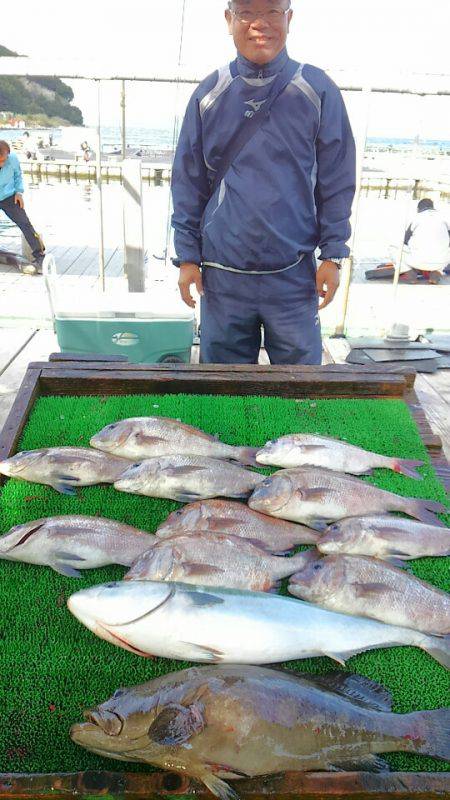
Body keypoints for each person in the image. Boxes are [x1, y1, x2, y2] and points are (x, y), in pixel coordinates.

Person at [171, 0, 356, 364]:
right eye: (247, 12)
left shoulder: (317, 90)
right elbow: (188, 182)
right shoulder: (209, 93)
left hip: (293, 277)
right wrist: (187, 257)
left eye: (272, 11)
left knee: (300, 393)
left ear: (289, 18)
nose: (260, 24)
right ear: (229, 19)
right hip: (222, 279)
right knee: (222, 395)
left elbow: (337, 179)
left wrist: (333, 255)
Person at [0, 140, 45, 273]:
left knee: (25, 223)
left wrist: (19, 192)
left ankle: (39, 255)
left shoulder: (13, 159)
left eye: (4, 159)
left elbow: (18, 175)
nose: (2, 163)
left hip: (10, 196)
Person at [402, 198, 450, 285]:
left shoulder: (416, 218)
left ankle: (410, 272)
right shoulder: (445, 217)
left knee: (393, 248)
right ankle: (437, 273)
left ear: (418, 209)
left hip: (417, 261)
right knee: (445, 250)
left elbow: (405, 241)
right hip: (440, 262)